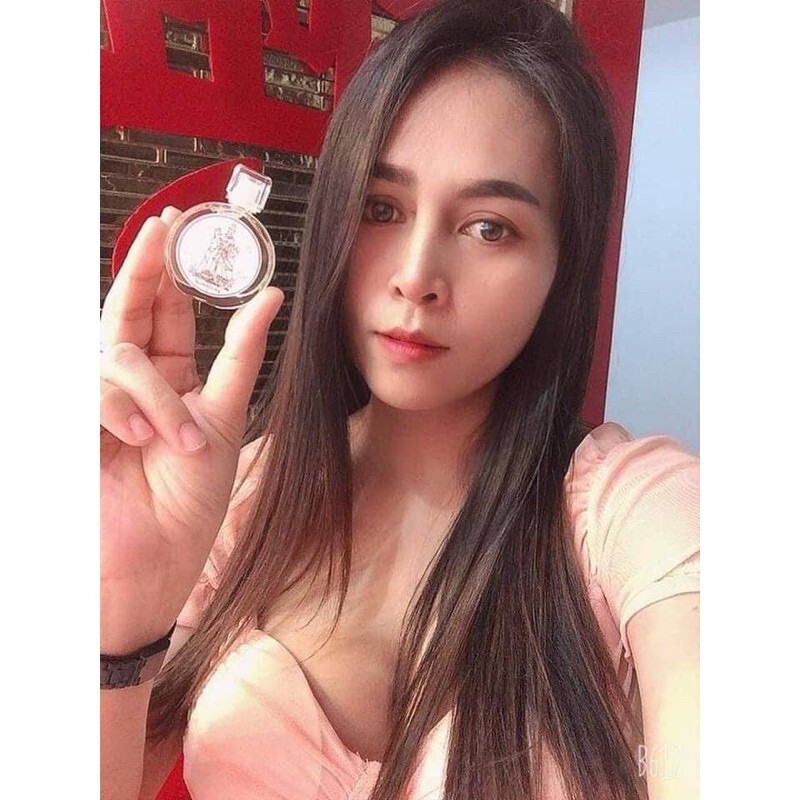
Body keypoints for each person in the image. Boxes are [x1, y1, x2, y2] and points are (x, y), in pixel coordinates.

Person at [100, 1, 700, 798]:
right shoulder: (241, 498)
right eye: (381, 209)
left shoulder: (636, 511)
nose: (416, 277)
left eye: (490, 227)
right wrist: (117, 611)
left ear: (562, 268)